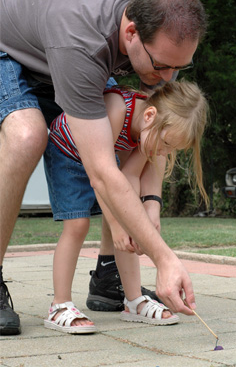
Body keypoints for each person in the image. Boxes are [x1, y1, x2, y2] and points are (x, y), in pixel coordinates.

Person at [0, 0, 208, 335]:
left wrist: (152, 203)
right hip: (9, 47)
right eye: (161, 66)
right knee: (28, 136)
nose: (167, 78)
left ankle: (111, 276)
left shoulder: (154, 17)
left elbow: (150, 148)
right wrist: (164, 259)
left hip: (58, 50)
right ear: (129, 34)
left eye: (180, 67)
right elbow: (101, 172)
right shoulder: (81, 42)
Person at [43, 80, 208, 333]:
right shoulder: (118, 110)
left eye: (172, 148)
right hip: (68, 153)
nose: (163, 151)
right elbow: (100, 177)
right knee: (77, 225)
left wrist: (142, 215)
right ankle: (59, 305)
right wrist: (117, 226)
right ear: (151, 116)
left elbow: (129, 177)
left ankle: (134, 302)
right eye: (166, 143)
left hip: (100, 167)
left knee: (130, 223)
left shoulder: (148, 130)